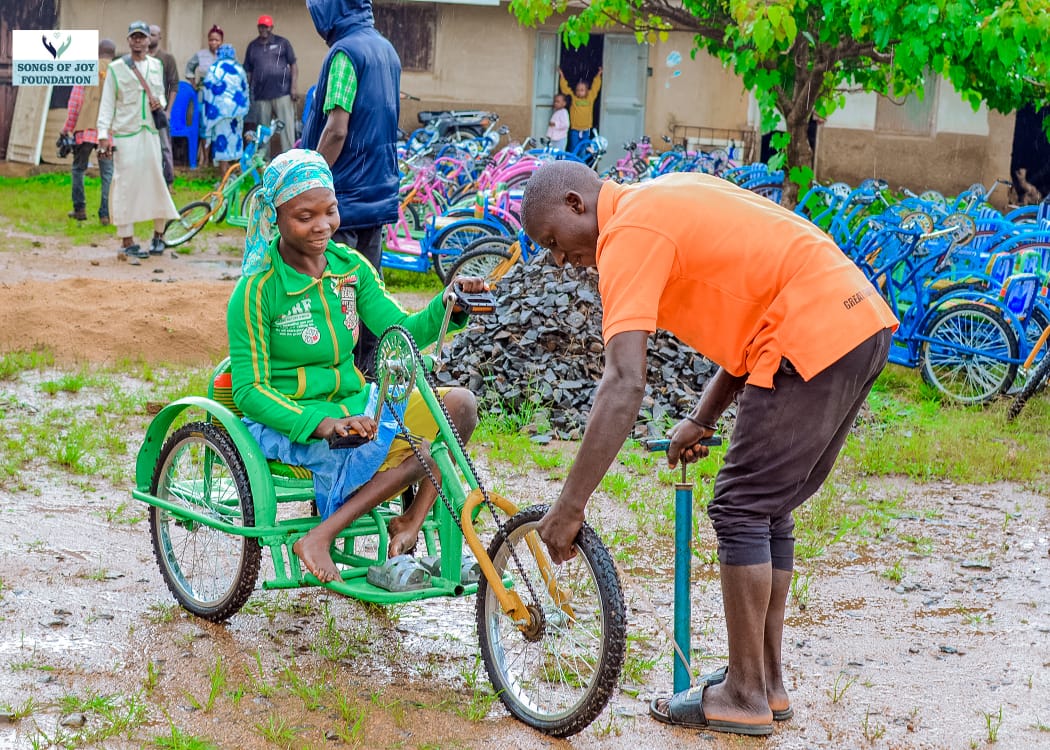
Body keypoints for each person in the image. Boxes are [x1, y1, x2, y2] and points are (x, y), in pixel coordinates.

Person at [519, 161, 898, 736]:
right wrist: (702, 417)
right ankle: (765, 683)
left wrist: (568, 508)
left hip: (809, 330)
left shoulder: (626, 235)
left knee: (742, 505)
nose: (557, 258)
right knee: (764, 505)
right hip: (856, 319)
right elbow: (756, 308)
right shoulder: (666, 195)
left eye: (552, 240)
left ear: (576, 203)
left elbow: (623, 382)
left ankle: (743, 693)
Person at [227, 149, 482, 583]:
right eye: (304, 216)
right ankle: (318, 537)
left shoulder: (351, 269)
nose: (322, 226)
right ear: (275, 216)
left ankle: (409, 522)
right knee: (418, 451)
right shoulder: (256, 291)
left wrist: (448, 303)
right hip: (293, 419)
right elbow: (248, 391)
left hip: (356, 405)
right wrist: (321, 422)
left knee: (459, 408)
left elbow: (400, 328)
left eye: (330, 211)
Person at [300, 0, 401, 378]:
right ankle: (373, 375)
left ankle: (339, 375)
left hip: (342, 197)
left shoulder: (345, 54)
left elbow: (337, 128)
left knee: (333, 292)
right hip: (377, 193)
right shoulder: (385, 50)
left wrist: (309, 182)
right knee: (368, 290)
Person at [97, 21, 179, 263]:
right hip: (125, 134)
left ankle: (158, 235)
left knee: (157, 184)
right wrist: (103, 134)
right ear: (129, 40)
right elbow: (107, 103)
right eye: (134, 37)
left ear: (148, 40)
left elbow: (162, 96)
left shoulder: (157, 66)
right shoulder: (116, 69)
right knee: (125, 186)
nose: (138, 41)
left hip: (151, 133)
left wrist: (160, 104)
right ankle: (127, 240)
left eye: (142, 37)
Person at [61, 38, 115, 225]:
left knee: (78, 169)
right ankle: (105, 214)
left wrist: (67, 128)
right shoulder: (118, 72)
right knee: (107, 174)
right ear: (113, 54)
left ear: (97, 52)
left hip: (85, 130)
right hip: (107, 134)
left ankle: (80, 209)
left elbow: (75, 103)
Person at [243, 14, 298, 154]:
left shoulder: (282, 43)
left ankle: (289, 158)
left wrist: (293, 88)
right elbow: (248, 72)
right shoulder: (252, 46)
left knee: (286, 128)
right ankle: (263, 161)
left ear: (271, 27)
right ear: (258, 27)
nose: (263, 29)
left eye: (266, 26)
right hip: (261, 95)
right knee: (263, 129)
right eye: (261, 26)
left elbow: (293, 65)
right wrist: (248, 95)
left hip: (283, 92)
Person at [201, 44, 250, 174]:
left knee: (222, 141)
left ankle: (224, 174)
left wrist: (209, 112)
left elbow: (207, 89)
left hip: (219, 113)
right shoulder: (239, 69)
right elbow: (245, 89)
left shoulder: (214, 68)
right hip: (236, 112)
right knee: (234, 140)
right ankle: (235, 172)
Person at [186, 24, 225, 167]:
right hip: (204, 95)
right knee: (204, 126)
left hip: (221, 98)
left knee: (219, 126)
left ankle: (218, 159)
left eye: (217, 40)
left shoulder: (225, 55)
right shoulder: (201, 55)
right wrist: (194, 84)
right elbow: (189, 68)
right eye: (211, 40)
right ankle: (204, 158)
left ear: (222, 41)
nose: (214, 43)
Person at [148, 24, 179, 186]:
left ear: (160, 37)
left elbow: (174, 86)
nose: (150, 37)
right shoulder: (140, 57)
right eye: (149, 34)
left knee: (164, 146)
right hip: (142, 110)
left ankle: (168, 181)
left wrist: (168, 110)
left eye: (154, 34)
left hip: (160, 109)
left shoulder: (167, 59)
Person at [559, 66, 601, 152]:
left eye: (582, 90)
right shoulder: (574, 99)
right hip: (575, 129)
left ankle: (581, 164)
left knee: (583, 149)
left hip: (586, 129)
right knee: (574, 148)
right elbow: (565, 89)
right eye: (577, 90)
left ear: (587, 91)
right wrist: (562, 76)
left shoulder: (590, 97)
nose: (579, 92)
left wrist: (599, 75)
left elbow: (595, 87)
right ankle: (572, 164)